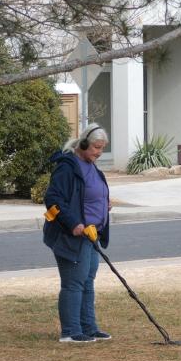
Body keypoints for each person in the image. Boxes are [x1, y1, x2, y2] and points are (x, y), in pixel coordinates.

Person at [43, 123, 112, 343]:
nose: (99, 153)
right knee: (74, 283)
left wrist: (104, 204)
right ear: (83, 144)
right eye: (96, 147)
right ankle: (71, 332)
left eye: (102, 148)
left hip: (92, 235)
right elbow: (52, 199)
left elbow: (87, 194)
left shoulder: (91, 166)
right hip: (72, 236)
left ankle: (89, 328)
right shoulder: (67, 167)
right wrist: (73, 223)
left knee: (87, 281)